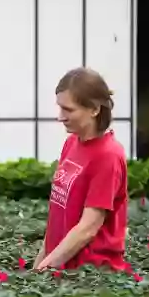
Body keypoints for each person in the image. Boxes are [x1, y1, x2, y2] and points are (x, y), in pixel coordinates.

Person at [34, 67, 127, 271]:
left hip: (90, 274)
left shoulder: (108, 156)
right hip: (63, 266)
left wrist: (44, 269)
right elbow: (58, 215)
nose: (60, 117)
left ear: (94, 109)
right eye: (60, 108)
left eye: (68, 110)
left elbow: (88, 228)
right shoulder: (71, 143)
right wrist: (40, 262)